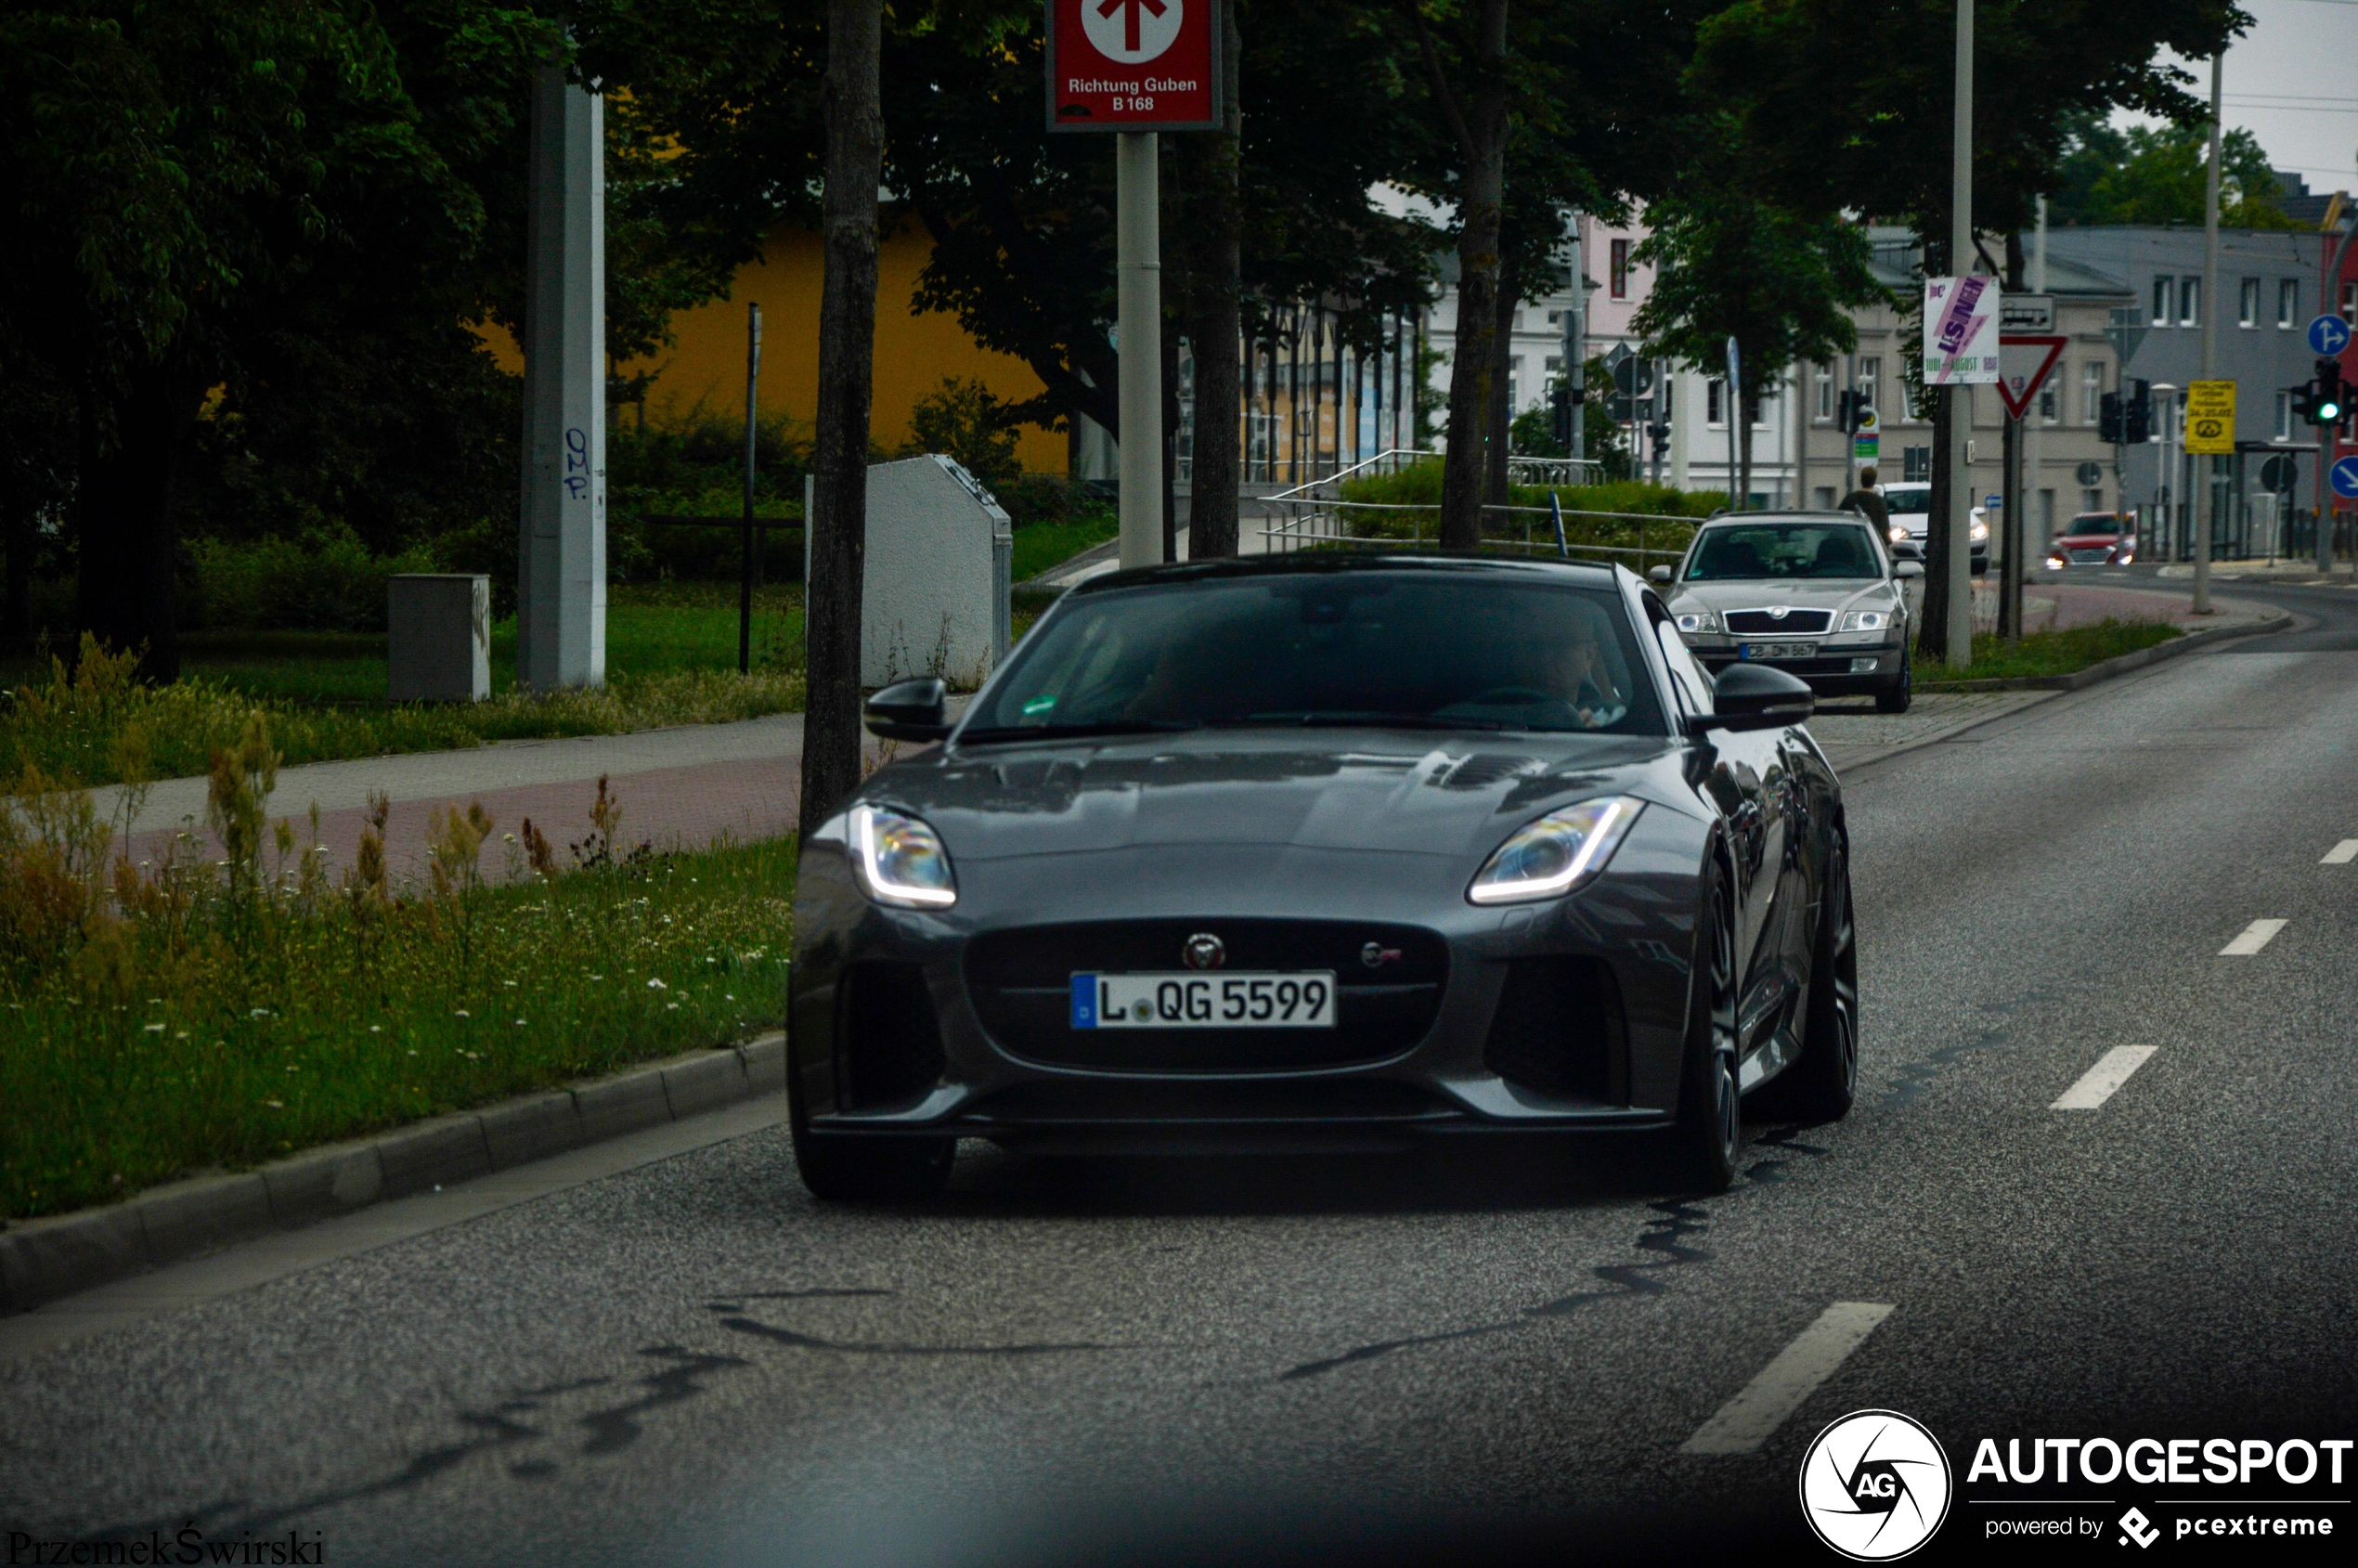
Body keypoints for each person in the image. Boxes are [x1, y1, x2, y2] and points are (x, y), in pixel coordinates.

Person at [1838, 466, 1891, 532]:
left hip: (1850, 539)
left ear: (1861, 480)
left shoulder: (1850, 498)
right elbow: (1886, 532)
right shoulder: (1879, 502)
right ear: (1874, 481)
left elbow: (1839, 520)